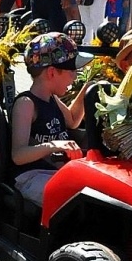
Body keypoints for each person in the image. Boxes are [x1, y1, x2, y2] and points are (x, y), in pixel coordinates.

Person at [11, 33, 89, 206]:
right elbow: (18, 155)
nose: (75, 76)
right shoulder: (27, 103)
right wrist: (53, 145)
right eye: (72, 71)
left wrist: (88, 89)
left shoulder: (52, 98)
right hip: (31, 176)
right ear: (52, 72)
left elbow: (73, 120)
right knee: (78, 197)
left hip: (55, 171)